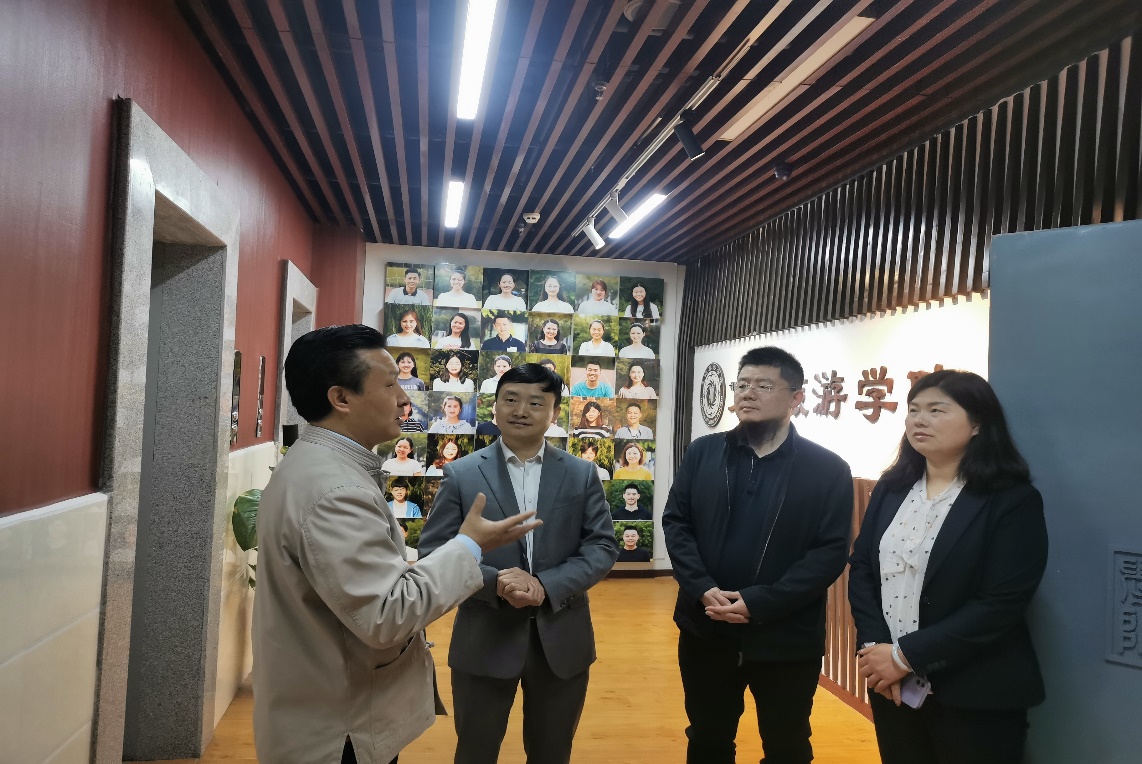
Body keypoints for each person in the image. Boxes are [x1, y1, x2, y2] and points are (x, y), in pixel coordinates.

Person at [252, 324, 540, 764]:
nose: (405, 398)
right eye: (390, 385)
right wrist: (469, 545)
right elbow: (386, 615)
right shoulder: (335, 490)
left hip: (331, 704)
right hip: (341, 729)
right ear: (341, 398)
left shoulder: (321, 465)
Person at [418, 363, 619, 764]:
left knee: (552, 752)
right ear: (495, 407)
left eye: (536, 402)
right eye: (510, 399)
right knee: (475, 752)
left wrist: (545, 585)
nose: (521, 410)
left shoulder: (581, 474)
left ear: (555, 412)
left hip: (561, 638)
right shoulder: (461, 473)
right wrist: (497, 583)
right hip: (484, 636)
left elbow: (601, 546)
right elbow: (435, 551)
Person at [662, 346, 854, 764]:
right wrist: (701, 586)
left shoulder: (827, 469)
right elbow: (677, 523)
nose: (748, 393)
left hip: (786, 636)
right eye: (743, 384)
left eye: (764, 385)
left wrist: (760, 602)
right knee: (708, 738)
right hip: (706, 627)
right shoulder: (703, 452)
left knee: (787, 745)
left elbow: (829, 553)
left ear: (796, 397)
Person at [847, 370, 1048, 764]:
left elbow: (1001, 603)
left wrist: (904, 656)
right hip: (892, 686)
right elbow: (862, 568)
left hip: (975, 692)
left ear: (978, 424)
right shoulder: (892, 488)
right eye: (913, 410)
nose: (919, 420)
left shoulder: (1011, 499)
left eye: (937, 410)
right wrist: (875, 650)